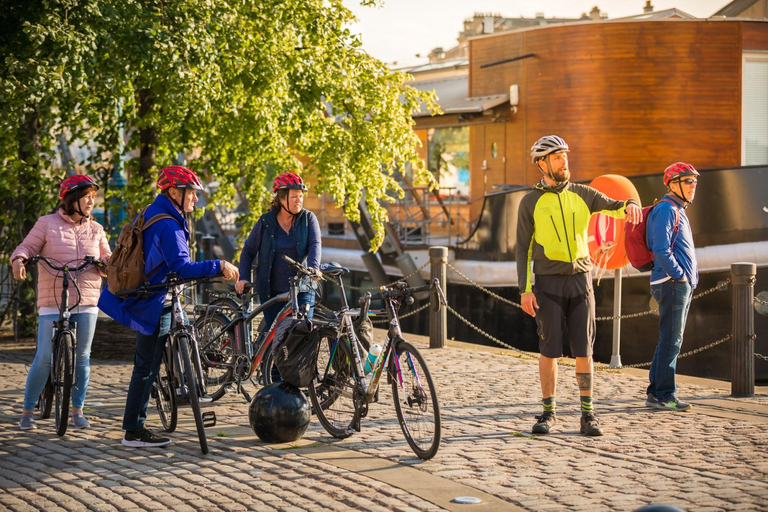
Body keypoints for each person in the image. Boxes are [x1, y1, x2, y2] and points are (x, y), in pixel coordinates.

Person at [98, 166, 239, 447]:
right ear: (174, 192)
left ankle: (174, 391)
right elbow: (182, 267)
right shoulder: (169, 223)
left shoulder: (153, 211)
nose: (195, 199)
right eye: (192, 193)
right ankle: (134, 430)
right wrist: (219, 265)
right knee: (146, 367)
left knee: (152, 357)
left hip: (149, 294)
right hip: (153, 300)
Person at [516, 135, 642, 436]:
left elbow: (615, 205)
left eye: (565, 156)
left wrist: (632, 204)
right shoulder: (530, 202)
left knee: (585, 350)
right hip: (547, 284)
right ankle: (548, 413)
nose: (564, 162)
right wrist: (525, 289)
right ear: (542, 164)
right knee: (549, 351)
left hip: (581, 281)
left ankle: (588, 416)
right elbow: (523, 249)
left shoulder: (584, 193)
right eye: (558, 157)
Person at [11, 174, 112, 431]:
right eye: (86, 196)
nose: (91, 201)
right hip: (53, 298)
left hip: (87, 299)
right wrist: (19, 260)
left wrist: (108, 265)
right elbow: (27, 247)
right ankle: (26, 411)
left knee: (82, 358)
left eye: (93, 196)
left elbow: (107, 258)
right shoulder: (46, 224)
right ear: (71, 199)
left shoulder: (97, 229)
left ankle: (77, 410)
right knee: (44, 357)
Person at [644, 162, 699, 412]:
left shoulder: (677, 209)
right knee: (672, 341)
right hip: (671, 284)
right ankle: (666, 395)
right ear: (673, 184)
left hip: (676, 284)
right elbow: (661, 250)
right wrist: (680, 277)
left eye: (695, 181)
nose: (693, 186)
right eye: (688, 181)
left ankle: (655, 392)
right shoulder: (666, 209)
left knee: (668, 339)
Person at [235, 172, 321, 329]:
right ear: (282, 199)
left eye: (301, 196)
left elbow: (315, 244)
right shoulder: (265, 222)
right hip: (271, 293)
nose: (299, 200)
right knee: (276, 337)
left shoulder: (308, 219)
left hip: (302, 289)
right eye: (294, 196)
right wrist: (244, 277)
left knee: (303, 332)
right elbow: (248, 251)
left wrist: (314, 267)